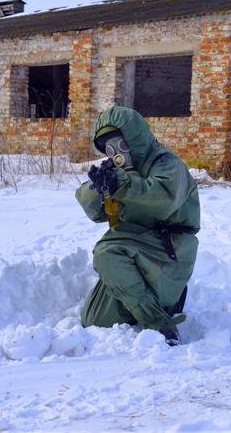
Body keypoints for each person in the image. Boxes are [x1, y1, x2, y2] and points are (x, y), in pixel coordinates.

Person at [75, 106, 200, 346]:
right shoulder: (117, 172)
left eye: (121, 144)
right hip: (136, 249)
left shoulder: (166, 162)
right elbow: (93, 211)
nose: (118, 154)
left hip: (169, 249)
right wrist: (99, 186)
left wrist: (123, 184)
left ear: (135, 137)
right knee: (94, 321)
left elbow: (163, 201)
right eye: (110, 149)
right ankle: (158, 300)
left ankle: (158, 321)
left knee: (107, 253)